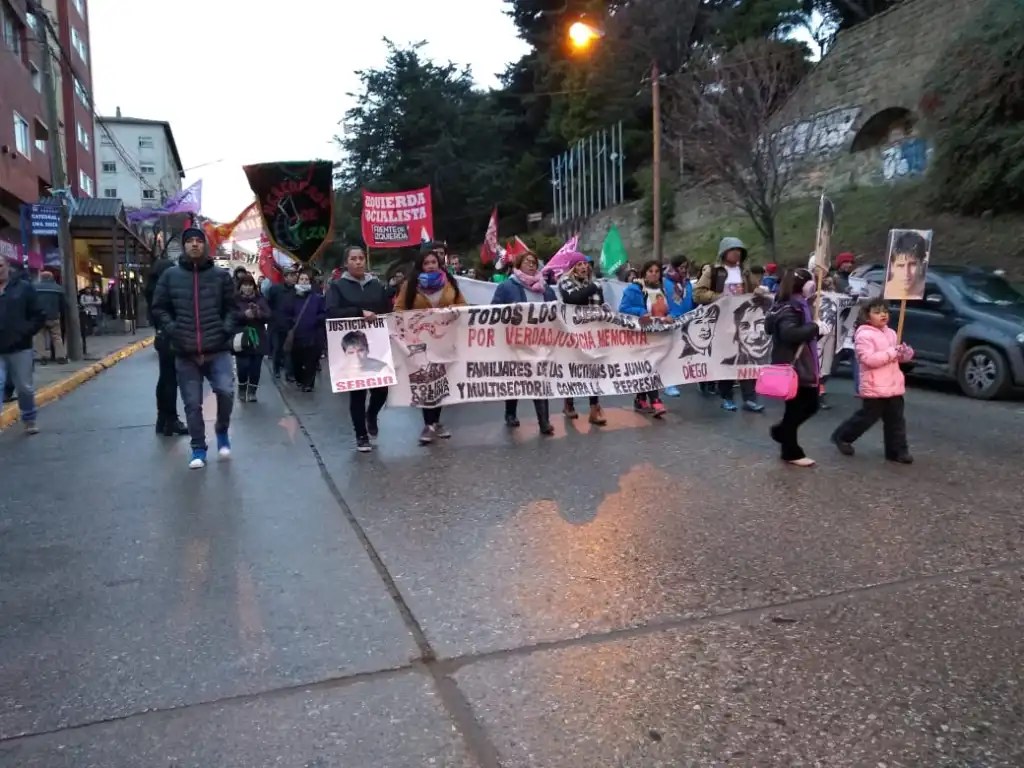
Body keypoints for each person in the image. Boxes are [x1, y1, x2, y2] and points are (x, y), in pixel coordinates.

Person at [151, 223, 238, 469]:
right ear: (184, 245)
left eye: (198, 240)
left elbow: (232, 308)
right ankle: (198, 448)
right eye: (190, 241)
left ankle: (222, 430)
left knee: (226, 391)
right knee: (192, 404)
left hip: (216, 348)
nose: (194, 244)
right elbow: (159, 307)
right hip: (185, 351)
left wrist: (225, 329)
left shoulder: (221, 276)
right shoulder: (171, 276)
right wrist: (173, 329)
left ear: (205, 245)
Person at [394, 242, 467, 444]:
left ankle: (436, 421)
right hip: (420, 342)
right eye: (426, 263)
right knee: (427, 380)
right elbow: (398, 310)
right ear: (421, 265)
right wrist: (417, 318)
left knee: (441, 380)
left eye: (434, 261)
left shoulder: (449, 282)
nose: (431, 266)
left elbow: (463, 305)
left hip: (444, 340)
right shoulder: (410, 285)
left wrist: (452, 311)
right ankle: (428, 424)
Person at [830, 298, 914, 464]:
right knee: (867, 418)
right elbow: (869, 360)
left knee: (896, 419)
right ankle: (842, 436)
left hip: (893, 384)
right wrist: (892, 352)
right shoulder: (864, 335)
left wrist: (905, 353)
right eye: (877, 312)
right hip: (874, 385)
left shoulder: (890, 332)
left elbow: (897, 357)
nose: (883, 315)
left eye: (885, 311)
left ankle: (897, 451)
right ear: (867, 316)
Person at [326, 245, 393, 453]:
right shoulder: (337, 286)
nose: (358, 262)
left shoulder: (375, 284)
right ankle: (361, 435)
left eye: (361, 258)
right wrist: (358, 312)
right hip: (352, 345)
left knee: (382, 389)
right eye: (353, 259)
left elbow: (386, 309)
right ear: (346, 262)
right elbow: (331, 311)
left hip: (376, 344)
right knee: (357, 394)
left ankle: (371, 414)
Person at [693, 236, 768, 412]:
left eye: (740, 251)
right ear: (724, 252)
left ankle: (750, 398)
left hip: (744, 322)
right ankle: (726, 396)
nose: (737, 253)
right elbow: (698, 293)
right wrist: (719, 298)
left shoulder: (746, 273)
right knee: (727, 360)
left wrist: (758, 292)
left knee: (747, 359)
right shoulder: (713, 271)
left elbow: (754, 290)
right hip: (722, 322)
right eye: (733, 250)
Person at [764, 268, 825, 467]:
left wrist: (816, 330)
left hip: (802, 363)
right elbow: (790, 334)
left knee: (808, 405)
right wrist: (815, 328)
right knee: (798, 408)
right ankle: (790, 449)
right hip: (795, 365)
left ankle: (783, 433)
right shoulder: (791, 307)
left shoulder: (795, 305)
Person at [492, 250, 557, 435]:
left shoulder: (546, 289)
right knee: (516, 379)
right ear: (518, 264)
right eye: (527, 261)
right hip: (516, 341)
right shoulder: (506, 287)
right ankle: (510, 413)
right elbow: (494, 312)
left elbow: (557, 313)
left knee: (539, 379)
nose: (531, 265)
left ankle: (544, 422)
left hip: (540, 342)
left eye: (534, 262)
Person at [557, 252, 607, 425]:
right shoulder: (565, 282)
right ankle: (568, 403)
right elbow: (572, 299)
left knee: (593, 368)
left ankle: (594, 408)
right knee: (573, 368)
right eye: (579, 265)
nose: (584, 267)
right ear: (572, 268)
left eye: (585, 264)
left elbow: (600, 304)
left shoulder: (593, 284)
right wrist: (593, 287)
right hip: (572, 332)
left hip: (591, 332)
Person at [618, 260, 671, 418]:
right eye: (650, 271)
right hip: (642, 334)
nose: (654, 274)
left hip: (660, 334)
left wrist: (671, 316)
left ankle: (640, 398)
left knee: (650, 367)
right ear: (644, 273)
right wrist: (641, 312)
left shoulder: (663, 289)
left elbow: (672, 309)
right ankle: (655, 400)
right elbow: (623, 308)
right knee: (649, 366)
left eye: (657, 271)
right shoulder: (635, 289)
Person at [0, 254, 46, 434]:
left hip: (20, 346)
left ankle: (29, 418)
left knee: (24, 387)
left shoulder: (23, 288)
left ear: (7, 266)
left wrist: (24, 332)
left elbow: (38, 314)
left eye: (0, 265)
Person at [144, 250, 188, 437]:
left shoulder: (151, 290)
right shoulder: (164, 291)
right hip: (170, 337)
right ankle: (171, 420)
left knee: (165, 380)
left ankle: (163, 420)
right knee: (170, 381)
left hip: (162, 337)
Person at [285, 270, 327, 392]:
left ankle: (309, 383)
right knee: (297, 360)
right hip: (297, 335)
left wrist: (316, 320)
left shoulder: (317, 298)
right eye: (301, 279)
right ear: (298, 281)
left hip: (313, 334)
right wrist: (290, 323)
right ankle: (300, 379)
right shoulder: (291, 297)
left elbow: (323, 313)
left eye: (306, 279)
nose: (304, 281)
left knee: (311, 361)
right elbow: (285, 314)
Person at [233, 273, 271, 402]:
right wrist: (244, 315)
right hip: (242, 337)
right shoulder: (235, 300)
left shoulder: (260, 299)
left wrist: (258, 313)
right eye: (245, 285)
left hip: (258, 338)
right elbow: (230, 317)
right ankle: (242, 388)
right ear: (240, 287)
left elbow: (269, 315)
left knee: (255, 367)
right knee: (242, 366)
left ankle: (252, 392)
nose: (248, 288)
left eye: (250, 285)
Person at [266, 266, 299, 381]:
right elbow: (268, 304)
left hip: (292, 325)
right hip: (277, 324)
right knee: (278, 348)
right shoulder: (275, 289)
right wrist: (272, 318)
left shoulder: (297, 290)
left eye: (295, 275)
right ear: (285, 277)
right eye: (291, 275)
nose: (295, 277)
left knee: (289, 350)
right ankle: (276, 369)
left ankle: (289, 373)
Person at [32, 270, 66, 364]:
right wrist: (62, 314)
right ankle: (60, 357)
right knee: (57, 337)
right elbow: (63, 304)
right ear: (51, 278)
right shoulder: (58, 288)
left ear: (41, 278)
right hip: (54, 316)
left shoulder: (35, 288)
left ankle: (42, 357)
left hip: (39, 317)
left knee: (40, 337)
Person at [884, 231, 928, 300]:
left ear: (922, 264)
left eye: (912, 265)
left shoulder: (929, 292)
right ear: (892, 266)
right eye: (900, 266)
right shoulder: (883, 292)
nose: (906, 273)